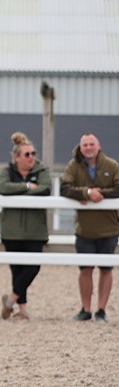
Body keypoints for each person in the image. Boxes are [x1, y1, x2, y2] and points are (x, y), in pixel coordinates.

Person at [59, 132, 119, 322]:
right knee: (85, 269)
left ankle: (101, 309)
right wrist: (86, 192)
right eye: (85, 145)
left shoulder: (112, 166)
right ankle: (85, 309)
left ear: (99, 146)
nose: (88, 148)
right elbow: (64, 188)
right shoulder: (73, 166)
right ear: (80, 147)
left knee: (106, 269)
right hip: (84, 229)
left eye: (91, 144)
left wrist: (99, 194)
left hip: (109, 228)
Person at [0, 132, 50, 320]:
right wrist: (27, 187)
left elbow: (45, 188)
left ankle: (10, 301)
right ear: (16, 157)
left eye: (33, 153)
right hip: (12, 230)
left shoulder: (41, 171)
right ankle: (23, 309)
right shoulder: (6, 172)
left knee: (32, 268)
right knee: (17, 270)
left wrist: (17, 192)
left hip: (35, 231)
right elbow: (3, 188)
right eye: (27, 154)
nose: (31, 157)